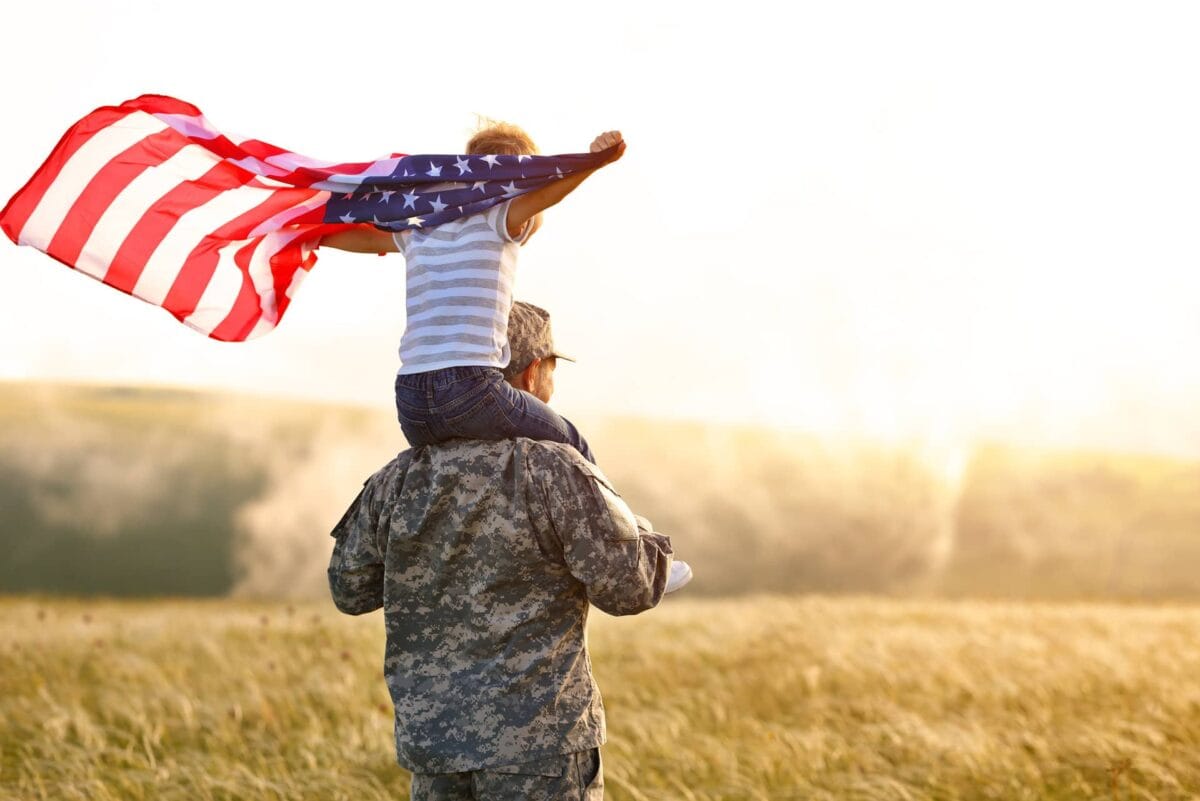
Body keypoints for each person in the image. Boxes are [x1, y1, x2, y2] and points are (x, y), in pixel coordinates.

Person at [328, 301, 692, 801]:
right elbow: (627, 590)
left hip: (435, 751)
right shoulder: (553, 467)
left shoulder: (396, 479)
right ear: (530, 373)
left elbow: (349, 590)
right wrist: (646, 541)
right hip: (538, 751)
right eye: (552, 370)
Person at [319, 123, 624, 463]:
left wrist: (305, 232)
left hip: (411, 404)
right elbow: (548, 197)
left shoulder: (423, 226)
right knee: (574, 444)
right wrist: (594, 163)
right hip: (470, 390)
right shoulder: (499, 217)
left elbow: (365, 240)